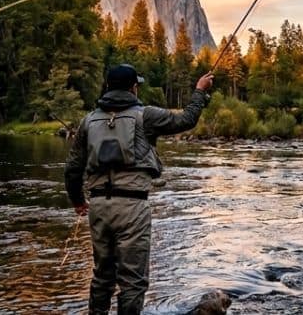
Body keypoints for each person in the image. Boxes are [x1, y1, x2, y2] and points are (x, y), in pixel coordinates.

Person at [65, 63, 215, 315]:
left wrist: (78, 201)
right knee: (132, 281)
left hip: (98, 207)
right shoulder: (146, 116)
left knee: (102, 276)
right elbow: (187, 120)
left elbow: (72, 169)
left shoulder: (88, 121)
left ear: (108, 87)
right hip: (133, 208)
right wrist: (200, 91)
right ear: (133, 88)